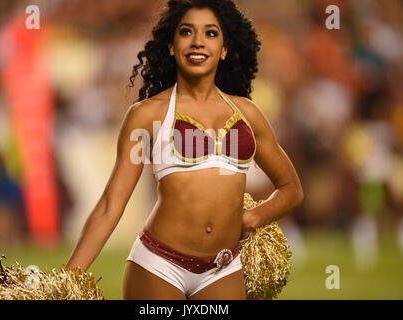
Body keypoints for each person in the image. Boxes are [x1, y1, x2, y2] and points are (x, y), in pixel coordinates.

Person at [65, 0, 303, 300]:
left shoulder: (248, 114)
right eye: (187, 32)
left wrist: (254, 217)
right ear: (171, 46)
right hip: (158, 265)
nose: (198, 42)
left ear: (225, 48)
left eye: (211, 33)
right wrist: (67, 279)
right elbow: (111, 205)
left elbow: (291, 189)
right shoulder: (147, 115)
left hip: (222, 268)